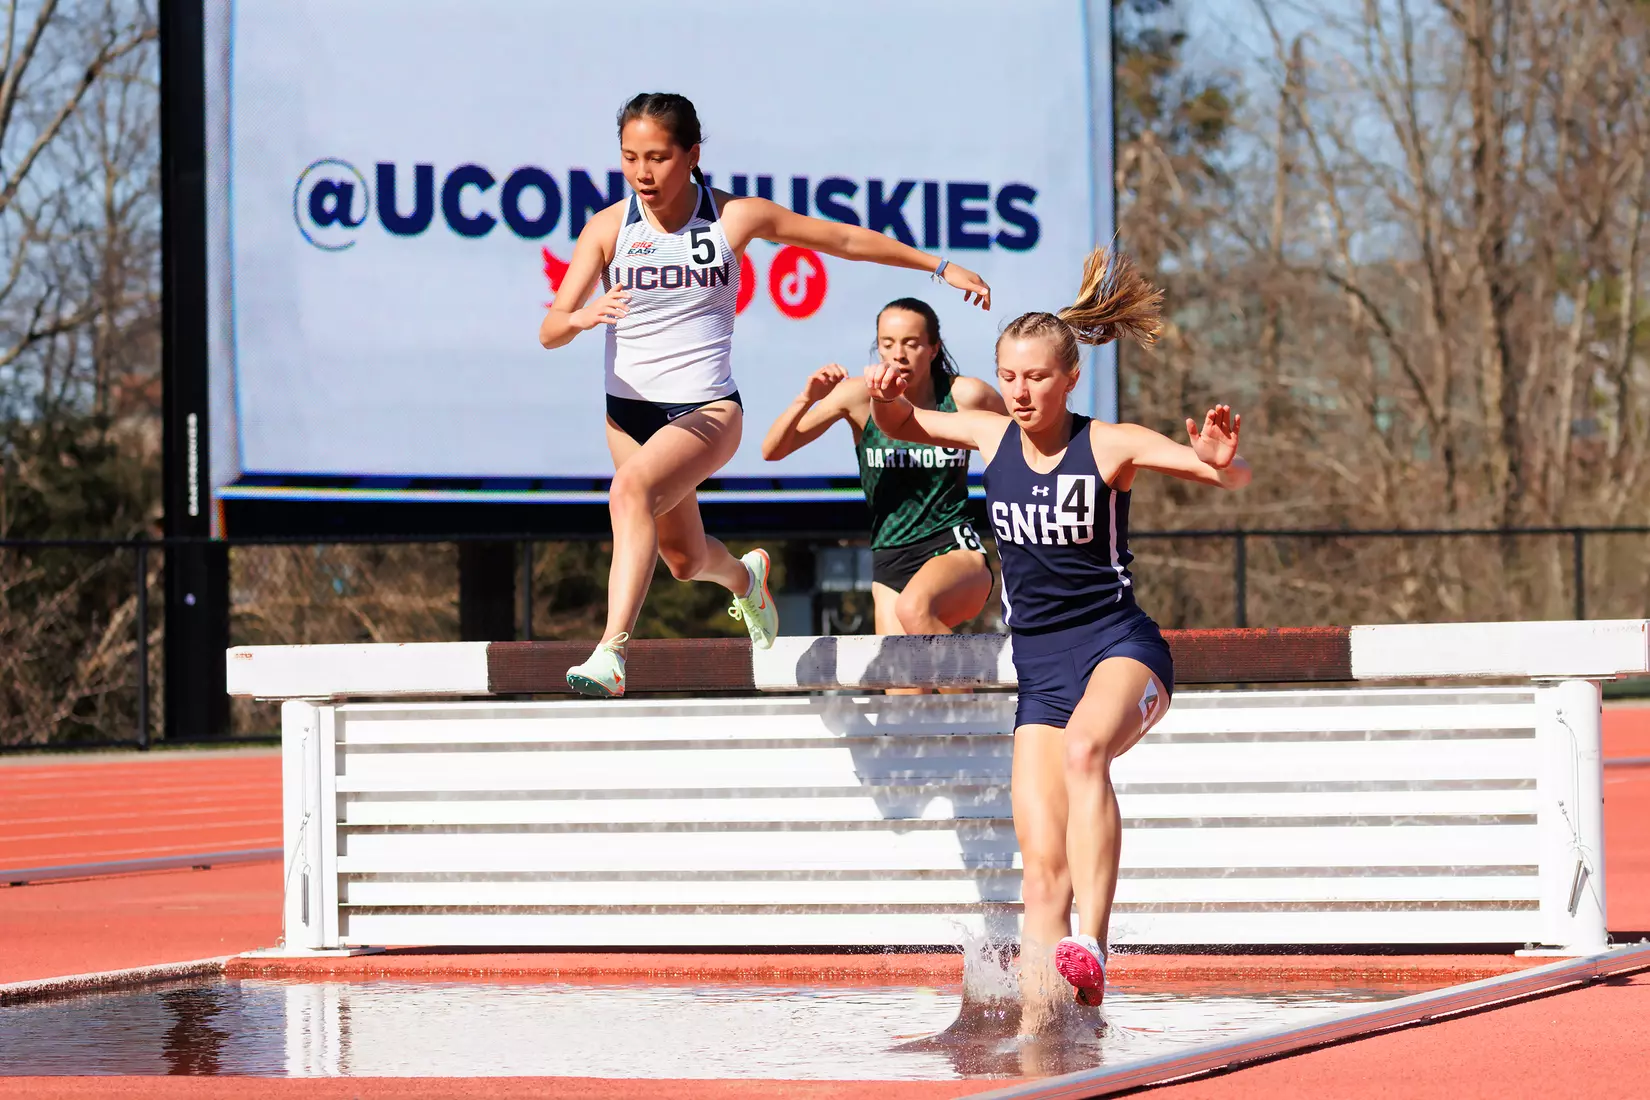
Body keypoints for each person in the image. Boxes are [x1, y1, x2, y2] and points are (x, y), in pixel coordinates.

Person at [863, 247, 1250, 1023]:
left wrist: (1215, 458)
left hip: (1121, 651)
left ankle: (1095, 951)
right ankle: (1051, 1035)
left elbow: (1214, 473)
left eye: (1036, 377)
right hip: (1040, 674)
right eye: (1008, 375)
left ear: (1070, 377)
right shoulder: (988, 435)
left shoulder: (1107, 443)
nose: (1020, 390)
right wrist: (884, 397)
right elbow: (902, 421)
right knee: (1041, 877)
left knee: (1084, 751)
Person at [538, 93, 990, 697]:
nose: (642, 173)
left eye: (657, 157)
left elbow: (841, 239)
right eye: (628, 158)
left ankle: (611, 652)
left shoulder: (734, 218)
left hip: (706, 412)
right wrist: (583, 316)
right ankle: (745, 580)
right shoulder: (607, 228)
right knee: (681, 558)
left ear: (692, 154)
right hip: (627, 418)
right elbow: (550, 330)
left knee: (629, 491)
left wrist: (937, 268)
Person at [761, 299, 1004, 665]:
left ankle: (987, 713)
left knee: (914, 607)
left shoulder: (965, 395)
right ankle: (961, 710)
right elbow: (773, 450)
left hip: (952, 545)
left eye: (911, 342)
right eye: (887, 343)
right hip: (889, 554)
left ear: (934, 347)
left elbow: (1022, 445)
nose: (898, 354)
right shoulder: (858, 396)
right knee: (903, 692)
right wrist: (806, 398)